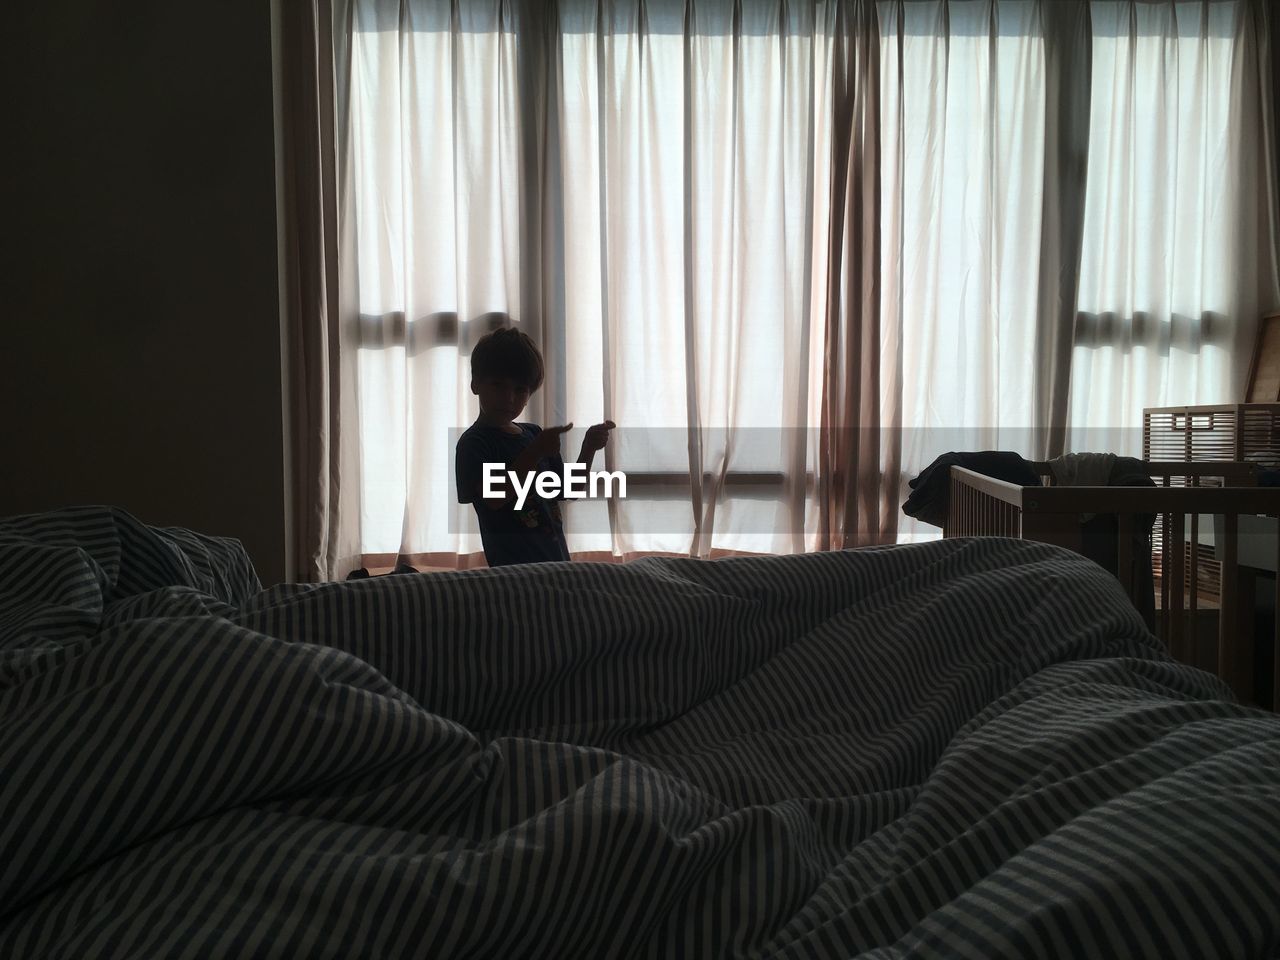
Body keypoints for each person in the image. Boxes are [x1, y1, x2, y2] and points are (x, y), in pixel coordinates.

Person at [455, 326, 615, 566]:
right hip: (513, 574)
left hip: (557, 564)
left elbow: (569, 490)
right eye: (498, 385)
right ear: (475, 384)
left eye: (520, 390)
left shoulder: (533, 434)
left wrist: (588, 448)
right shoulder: (474, 443)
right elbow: (495, 497)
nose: (509, 398)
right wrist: (535, 452)